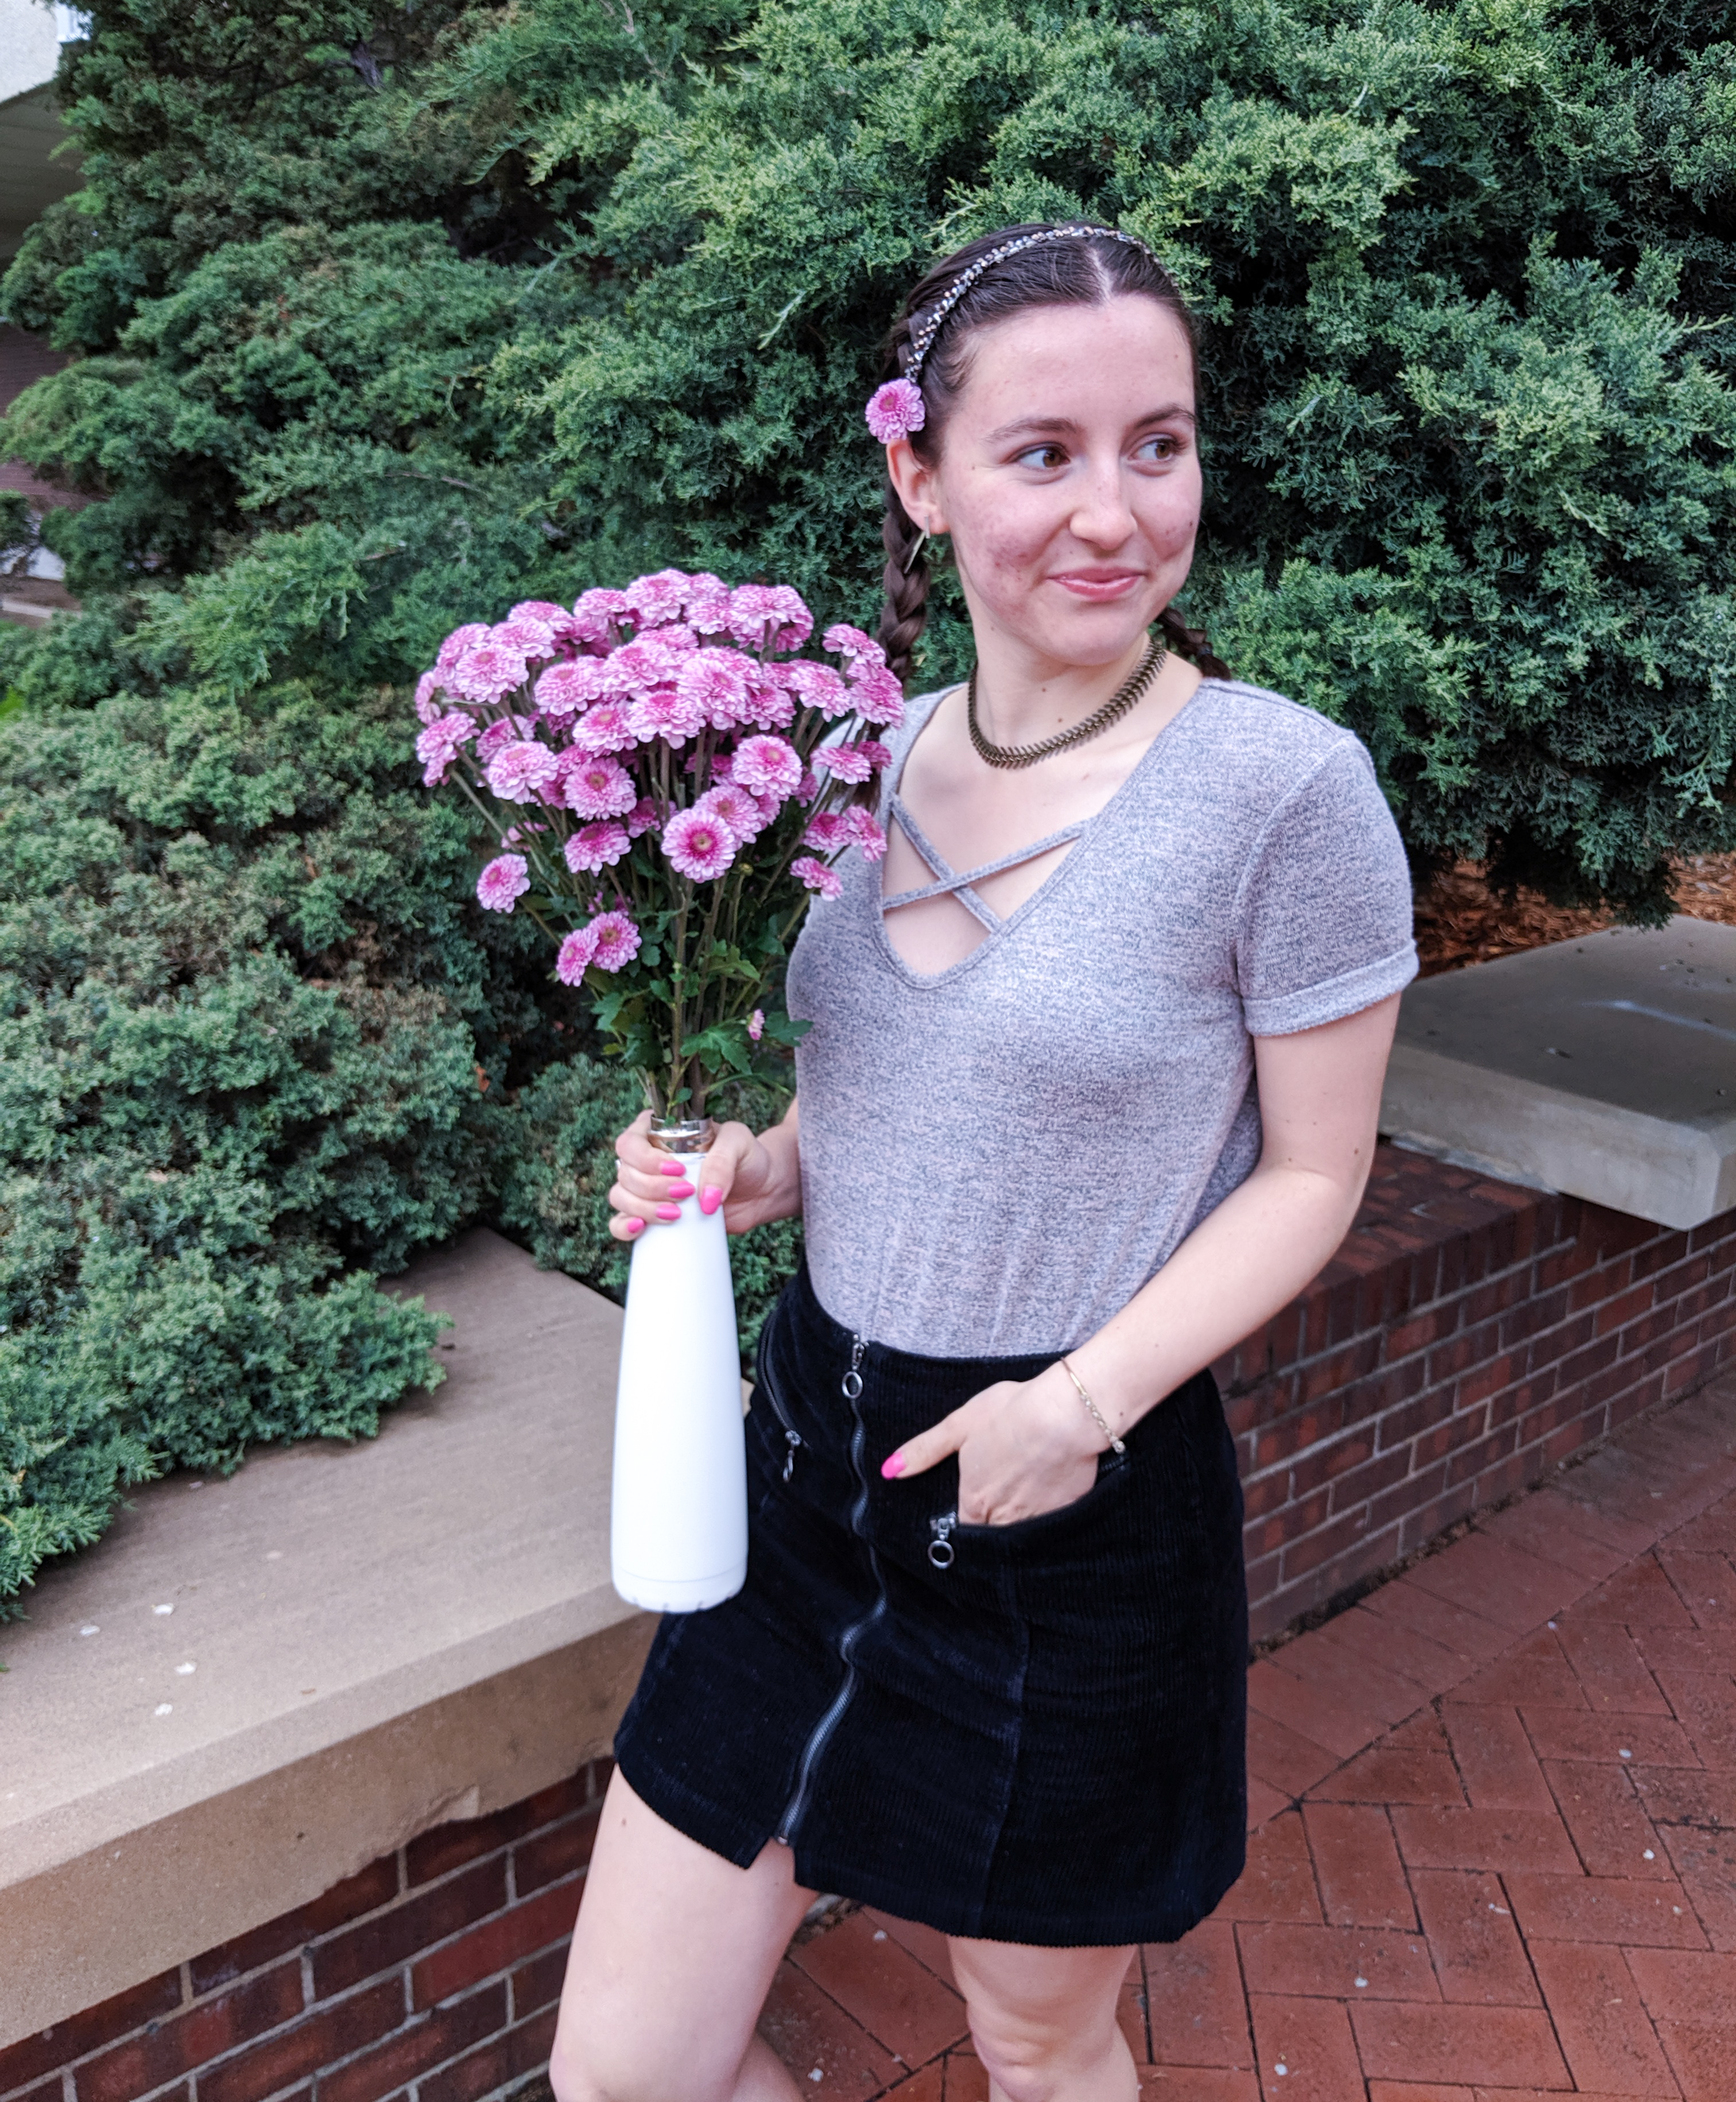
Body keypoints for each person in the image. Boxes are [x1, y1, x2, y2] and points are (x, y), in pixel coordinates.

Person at [550, 222, 1417, 2102]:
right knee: (628, 2072)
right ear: (920, 478)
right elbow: (878, 1092)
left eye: (1159, 444)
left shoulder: (1283, 792)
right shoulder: (841, 756)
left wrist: (1081, 1403)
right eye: (1045, 454)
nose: (1115, 512)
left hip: (1065, 1507)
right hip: (799, 1481)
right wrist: (757, 1171)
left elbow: (1312, 1176)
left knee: (1039, 2043)